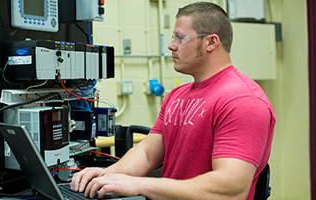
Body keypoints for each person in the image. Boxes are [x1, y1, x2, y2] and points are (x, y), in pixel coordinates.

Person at [70, 2, 275, 199]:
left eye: (180, 38)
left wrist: (140, 184)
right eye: (172, 37)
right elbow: (148, 152)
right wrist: (109, 174)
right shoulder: (177, 96)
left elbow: (230, 189)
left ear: (211, 42)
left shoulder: (243, 100)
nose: (171, 46)